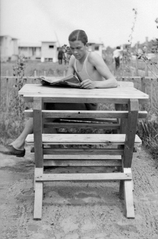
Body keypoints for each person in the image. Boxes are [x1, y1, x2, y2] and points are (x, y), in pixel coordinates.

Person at [1, 29, 118, 157]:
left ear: (86, 45)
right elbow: (68, 82)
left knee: (43, 108)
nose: (75, 52)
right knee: (43, 107)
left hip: (89, 105)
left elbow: (113, 81)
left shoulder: (93, 57)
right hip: (76, 101)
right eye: (72, 48)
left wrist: (95, 84)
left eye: (78, 48)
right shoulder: (73, 59)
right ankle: (46, 150)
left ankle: (29, 146)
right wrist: (52, 82)